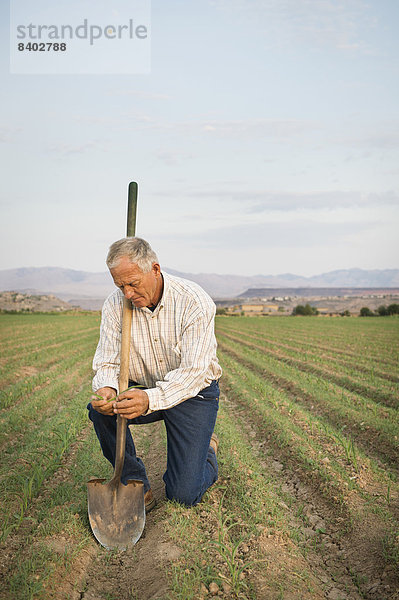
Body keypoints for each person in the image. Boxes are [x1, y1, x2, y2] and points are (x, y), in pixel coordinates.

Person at [88, 237, 222, 510]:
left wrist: (149, 399)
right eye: (119, 285)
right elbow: (108, 363)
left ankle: (206, 452)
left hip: (192, 394)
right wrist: (107, 390)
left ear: (155, 270)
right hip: (142, 386)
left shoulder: (193, 301)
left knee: (184, 495)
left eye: (133, 284)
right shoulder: (115, 306)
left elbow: (194, 372)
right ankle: (134, 484)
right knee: (99, 412)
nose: (127, 293)